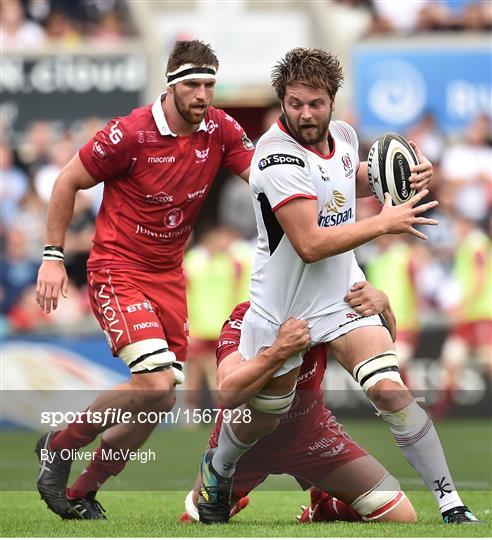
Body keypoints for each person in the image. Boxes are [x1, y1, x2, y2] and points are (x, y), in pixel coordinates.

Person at [198, 47, 478, 525]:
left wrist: (402, 176)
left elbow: (350, 182)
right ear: (283, 101)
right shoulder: (276, 156)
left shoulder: (344, 136)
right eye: (295, 103)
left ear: (333, 100)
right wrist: (384, 223)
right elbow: (308, 243)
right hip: (283, 307)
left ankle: (451, 502)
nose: (305, 113)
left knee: (390, 390)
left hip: (343, 293)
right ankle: (219, 471)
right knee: (263, 417)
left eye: (315, 103)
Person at [34, 40, 253, 520]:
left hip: (168, 275)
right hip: (117, 268)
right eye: (192, 85)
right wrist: (52, 257)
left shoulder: (220, 129)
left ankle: (81, 491)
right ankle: (61, 444)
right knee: (154, 385)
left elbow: (264, 178)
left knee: (161, 399)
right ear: (170, 86)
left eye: (209, 85)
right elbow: (66, 181)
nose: (202, 95)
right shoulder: (128, 134)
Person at [182, 284, 419, 525]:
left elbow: (376, 353)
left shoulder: (327, 311)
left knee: (401, 517)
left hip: (310, 433)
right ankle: (232, 494)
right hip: (244, 439)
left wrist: (385, 308)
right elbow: (228, 390)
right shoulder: (245, 316)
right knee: (196, 519)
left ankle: (326, 505)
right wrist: (279, 351)